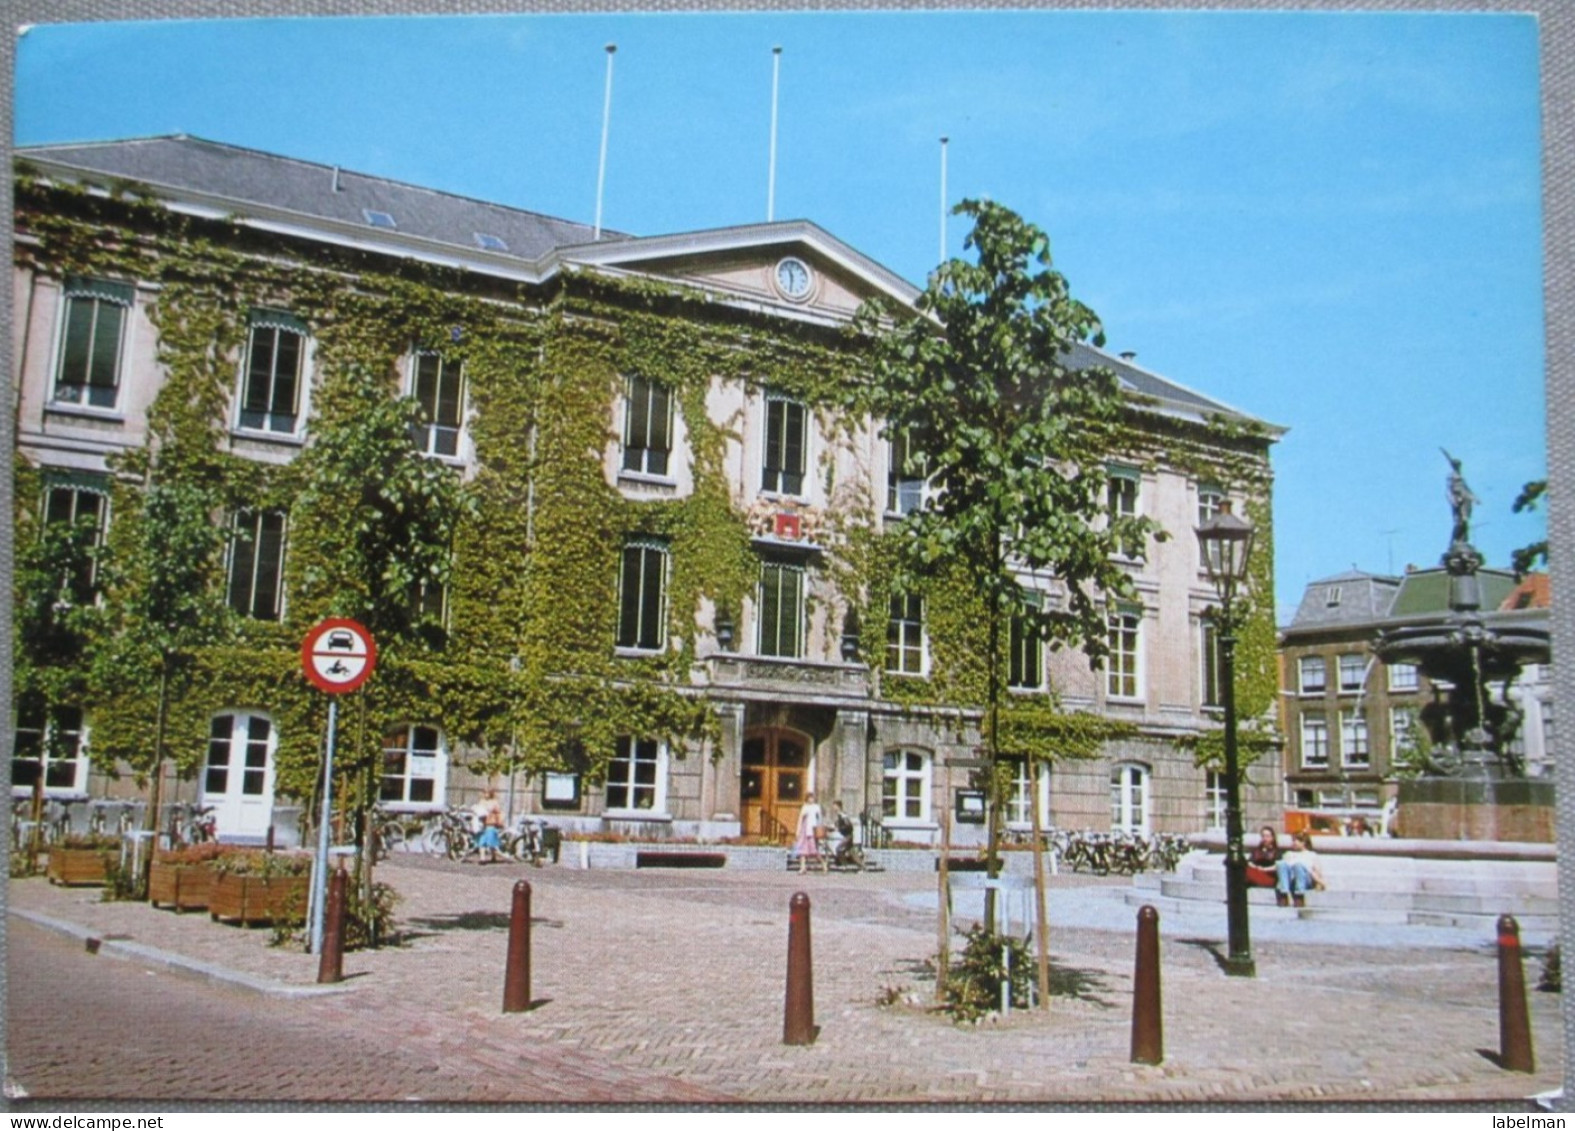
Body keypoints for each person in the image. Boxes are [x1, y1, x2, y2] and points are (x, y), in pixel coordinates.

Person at [1275, 831, 1325, 907]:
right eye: (1293, 841)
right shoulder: (1289, 853)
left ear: (1303, 842)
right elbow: (1282, 870)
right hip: (1291, 880)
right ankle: (1283, 894)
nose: (1293, 843)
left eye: (1296, 841)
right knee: (1281, 864)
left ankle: (1299, 896)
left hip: (1305, 880)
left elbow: (1317, 872)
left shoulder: (1311, 855)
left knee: (1298, 866)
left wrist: (1319, 883)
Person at [794, 793, 825, 875]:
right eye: (809, 798)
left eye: (812, 798)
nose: (811, 799)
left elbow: (820, 819)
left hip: (813, 830)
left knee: (813, 850)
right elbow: (800, 820)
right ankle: (802, 867)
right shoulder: (805, 807)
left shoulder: (816, 807)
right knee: (802, 850)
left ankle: (823, 864)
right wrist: (798, 831)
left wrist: (820, 829)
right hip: (805, 830)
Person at [473, 788, 504, 864]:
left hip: (491, 824)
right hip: (482, 825)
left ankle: (494, 857)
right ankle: (482, 858)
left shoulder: (494, 803)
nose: (486, 795)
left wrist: (499, 823)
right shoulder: (481, 802)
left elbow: (498, 813)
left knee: (491, 842)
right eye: (484, 793)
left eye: (487, 793)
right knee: (482, 842)